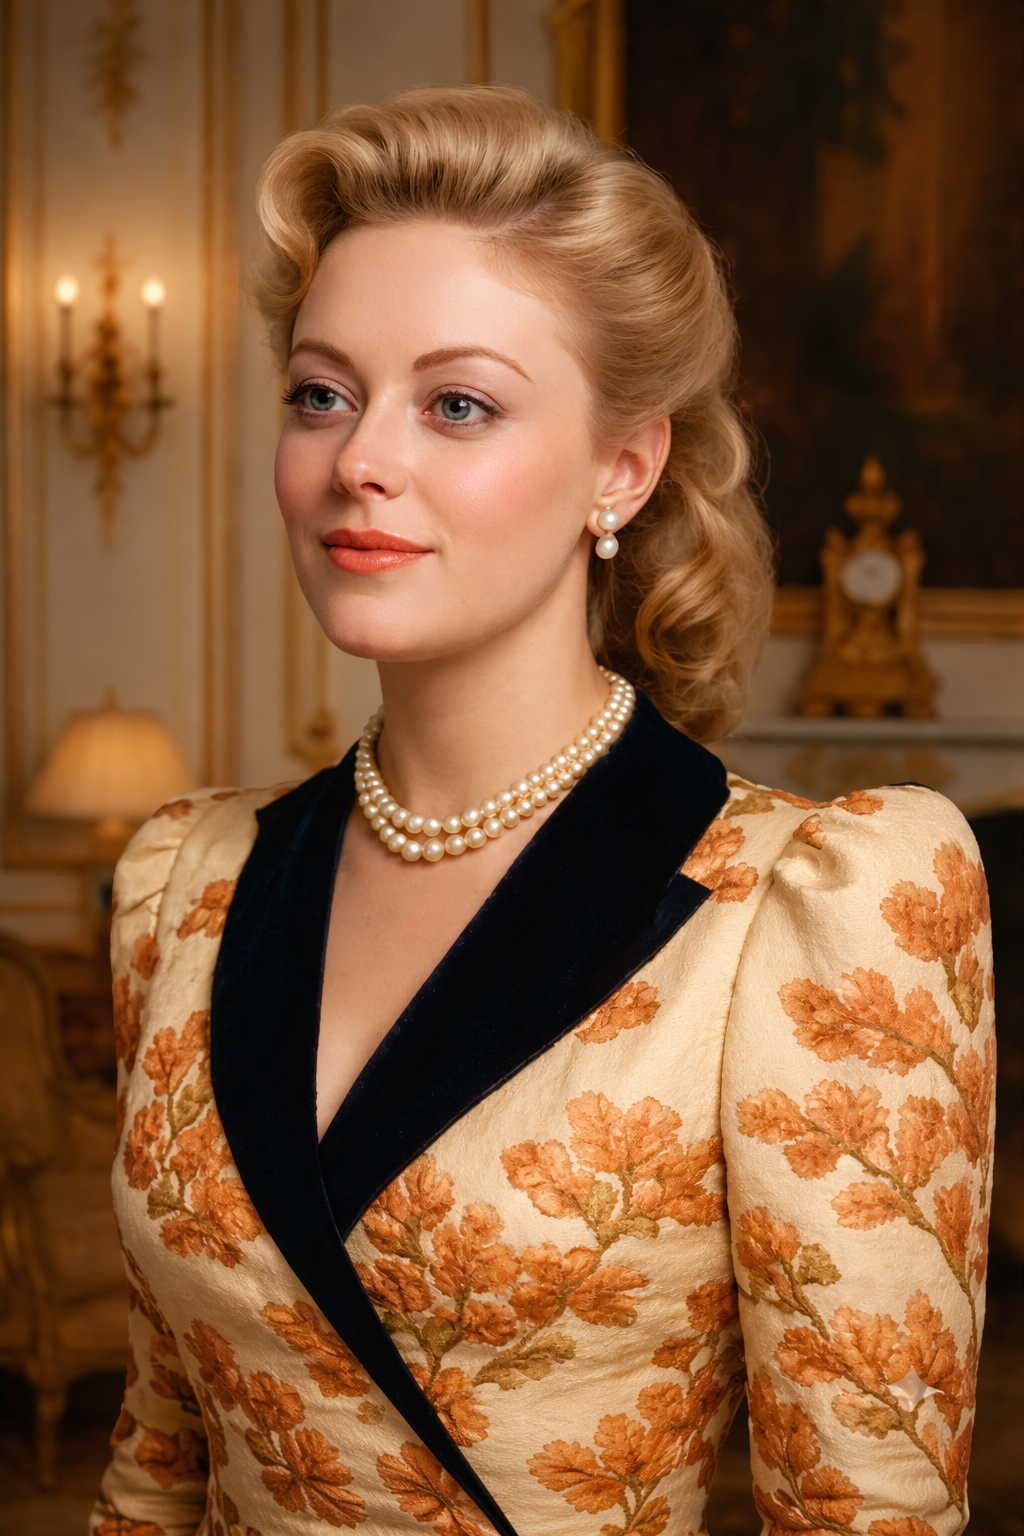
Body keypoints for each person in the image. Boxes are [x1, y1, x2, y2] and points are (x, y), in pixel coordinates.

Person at [92, 88, 992, 1536]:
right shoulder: (183, 885)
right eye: (323, 392)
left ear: (622, 469)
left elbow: (867, 1517)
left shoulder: (810, 906)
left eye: (458, 403)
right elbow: (156, 1452)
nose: (358, 461)